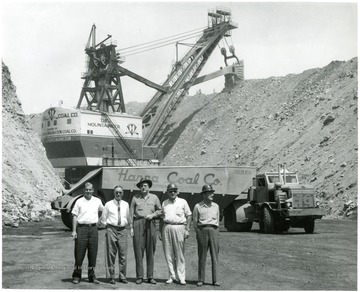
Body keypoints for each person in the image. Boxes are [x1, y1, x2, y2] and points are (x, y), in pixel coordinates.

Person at [129, 178, 162, 284]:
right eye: (141, 186)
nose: (143, 187)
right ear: (139, 187)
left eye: (145, 185)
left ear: (149, 187)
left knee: (150, 250)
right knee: (138, 251)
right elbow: (130, 214)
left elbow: (160, 210)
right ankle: (139, 276)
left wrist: (152, 215)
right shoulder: (135, 198)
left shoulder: (155, 197)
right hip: (138, 223)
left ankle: (150, 276)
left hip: (150, 224)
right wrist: (131, 228)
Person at [71, 182, 104, 284]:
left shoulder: (97, 201)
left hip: (93, 229)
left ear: (93, 190)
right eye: (86, 190)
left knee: (92, 254)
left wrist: (100, 221)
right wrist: (74, 231)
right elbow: (74, 216)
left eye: (90, 190)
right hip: (81, 229)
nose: (88, 191)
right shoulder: (79, 201)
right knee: (79, 254)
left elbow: (105, 210)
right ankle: (76, 275)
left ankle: (91, 276)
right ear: (83, 190)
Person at [159, 184, 192, 285]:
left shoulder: (183, 202)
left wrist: (187, 229)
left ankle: (181, 277)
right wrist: (160, 232)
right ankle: (171, 276)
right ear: (167, 192)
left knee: (179, 253)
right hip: (167, 227)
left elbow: (189, 215)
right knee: (168, 253)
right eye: (170, 191)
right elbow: (161, 218)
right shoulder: (164, 203)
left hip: (179, 227)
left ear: (177, 192)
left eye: (174, 191)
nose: (172, 193)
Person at [193, 184, 221, 287]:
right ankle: (201, 279)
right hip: (202, 230)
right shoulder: (198, 206)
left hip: (214, 230)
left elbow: (217, 220)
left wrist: (216, 232)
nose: (212, 194)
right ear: (204, 194)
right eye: (210, 193)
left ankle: (215, 280)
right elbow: (195, 222)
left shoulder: (216, 206)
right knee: (202, 256)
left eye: (212, 192)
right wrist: (199, 232)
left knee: (215, 256)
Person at [101, 185, 130, 284]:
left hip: (122, 230)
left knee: (123, 254)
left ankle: (122, 276)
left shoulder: (126, 204)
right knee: (111, 254)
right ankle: (111, 276)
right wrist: (109, 227)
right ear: (114, 193)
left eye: (120, 192)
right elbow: (103, 218)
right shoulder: (108, 204)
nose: (118, 194)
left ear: (123, 193)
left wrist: (125, 226)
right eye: (116, 192)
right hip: (111, 230)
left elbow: (127, 217)